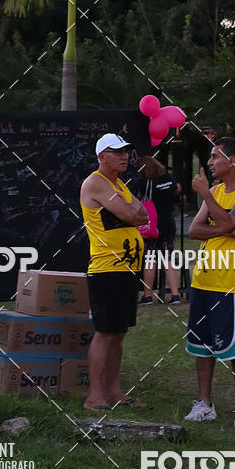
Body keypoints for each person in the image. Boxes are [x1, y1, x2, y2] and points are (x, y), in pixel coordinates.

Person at [184, 137, 235, 427]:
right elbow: (195, 230)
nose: (210, 163)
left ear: (232, 161)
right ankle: (205, 404)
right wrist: (227, 229)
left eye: (215, 158)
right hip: (204, 278)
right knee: (202, 346)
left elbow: (228, 220)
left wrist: (208, 199)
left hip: (231, 282)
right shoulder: (216, 191)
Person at [80, 133, 148, 411]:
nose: (124, 156)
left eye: (126, 151)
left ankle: (114, 390)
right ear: (101, 157)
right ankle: (94, 396)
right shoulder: (95, 182)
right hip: (107, 268)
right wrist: (129, 210)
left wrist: (130, 209)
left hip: (127, 268)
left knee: (119, 332)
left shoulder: (118, 184)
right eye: (116, 151)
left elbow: (144, 214)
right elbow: (134, 216)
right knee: (105, 331)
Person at [136, 156, 182, 305]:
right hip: (169, 223)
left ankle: (148, 296)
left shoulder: (145, 183)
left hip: (152, 226)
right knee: (167, 259)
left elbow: (138, 200)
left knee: (150, 260)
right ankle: (175, 295)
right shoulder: (169, 178)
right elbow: (177, 195)